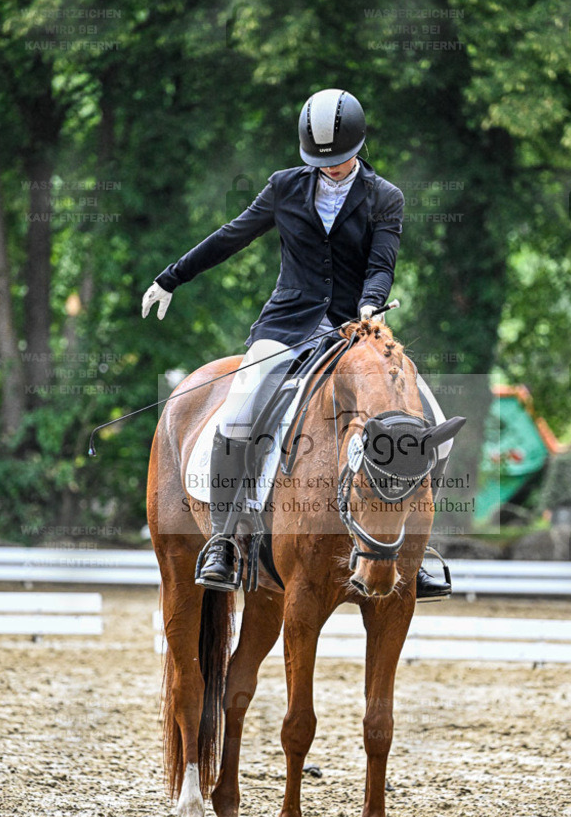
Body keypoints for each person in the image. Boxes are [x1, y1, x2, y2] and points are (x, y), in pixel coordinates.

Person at [143, 88, 451, 598]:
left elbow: (381, 264)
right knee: (239, 412)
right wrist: (172, 277)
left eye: (341, 159)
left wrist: (371, 304)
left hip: (353, 332)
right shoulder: (284, 187)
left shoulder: (385, 197)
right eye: (322, 162)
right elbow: (232, 235)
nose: (331, 169)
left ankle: (413, 549)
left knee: (432, 426)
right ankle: (223, 539)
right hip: (285, 326)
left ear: (360, 146)